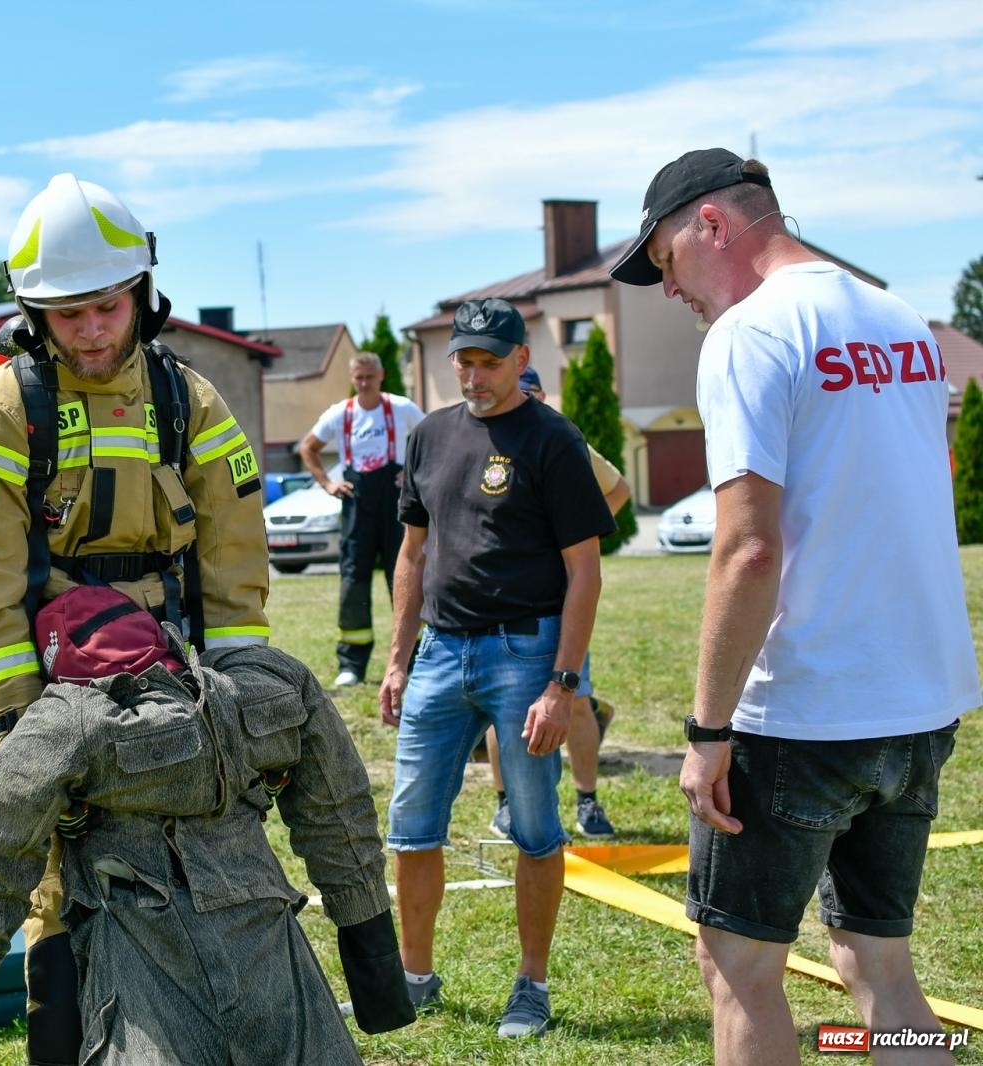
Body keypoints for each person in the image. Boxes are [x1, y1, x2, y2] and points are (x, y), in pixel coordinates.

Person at [611, 148, 979, 1064]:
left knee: (736, 963)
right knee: (878, 966)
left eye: (663, 261)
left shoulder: (750, 333)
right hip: (919, 702)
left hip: (806, 710)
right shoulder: (898, 319)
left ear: (713, 225)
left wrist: (706, 731)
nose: (669, 289)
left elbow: (748, 548)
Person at [0, 172, 271, 1064]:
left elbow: (233, 547)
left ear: (142, 295)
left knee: (195, 862)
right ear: (35, 313)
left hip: (168, 677)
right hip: (41, 682)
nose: (88, 330)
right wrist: (18, 714)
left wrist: (241, 685)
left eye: (106, 308)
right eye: (67, 313)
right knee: (52, 886)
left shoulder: (188, 401)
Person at [0, 585, 412, 1066]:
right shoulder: (272, 683)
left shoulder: (66, 724)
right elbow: (342, 822)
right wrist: (379, 982)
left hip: (143, 965)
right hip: (272, 959)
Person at [377, 297, 615, 1038]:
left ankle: (531, 987)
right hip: (441, 656)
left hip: (526, 653)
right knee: (412, 826)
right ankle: (414, 980)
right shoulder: (428, 436)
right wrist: (396, 660)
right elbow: (411, 555)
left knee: (537, 829)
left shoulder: (552, 439)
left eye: (490, 362)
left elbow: (586, 573)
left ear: (520, 357)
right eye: (465, 362)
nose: (475, 376)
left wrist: (562, 684)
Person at [485, 365, 631, 839]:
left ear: (541, 394)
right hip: (502, 600)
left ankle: (587, 802)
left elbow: (619, 489)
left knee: (578, 699)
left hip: (560, 601)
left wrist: (577, 527)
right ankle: (505, 804)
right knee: (501, 707)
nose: (521, 402)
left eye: (529, 393)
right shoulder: (485, 442)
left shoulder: (564, 440)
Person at [298, 351, 425, 688]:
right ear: (352, 379)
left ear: (381, 375)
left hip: (396, 504)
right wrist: (328, 483)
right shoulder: (340, 414)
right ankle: (351, 664)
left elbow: (431, 439)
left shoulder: (401, 407)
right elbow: (307, 448)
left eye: (370, 376)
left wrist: (411, 475)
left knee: (407, 577)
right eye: (359, 378)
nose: (365, 383)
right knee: (354, 580)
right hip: (357, 503)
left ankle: (416, 660)